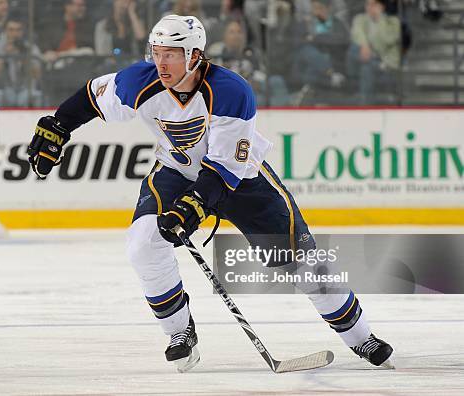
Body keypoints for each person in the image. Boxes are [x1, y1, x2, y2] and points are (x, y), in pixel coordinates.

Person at [27, 15, 394, 372]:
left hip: (244, 182)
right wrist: (58, 125)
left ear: (194, 55)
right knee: (142, 244)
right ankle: (178, 333)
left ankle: (360, 336)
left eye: (170, 53)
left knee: (303, 263)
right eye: (156, 52)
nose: (160, 62)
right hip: (175, 173)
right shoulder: (138, 81)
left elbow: (225, 169)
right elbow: (92, 97)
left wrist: (193, 207)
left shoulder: (231, 91)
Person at [347, 0, 401, 104]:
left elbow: (383, 42)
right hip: (371, 61)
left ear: (382, 7)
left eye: (374, 4)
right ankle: (377, 64)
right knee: (353, 49)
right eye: (367, 4)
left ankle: (365, 106)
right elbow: (356, 33)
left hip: (388, 64)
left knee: (365, 68)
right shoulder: (360, 19)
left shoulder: (393, 22)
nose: (369, 7)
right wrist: (365, 45)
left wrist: (379, 19)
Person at [0, 16, 43, 106]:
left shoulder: (31, 47)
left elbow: (38, 76)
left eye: (18, 30)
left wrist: (23, 56)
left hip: (26, 88)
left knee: (32, 96)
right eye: (11, 30)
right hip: (4, 88)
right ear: (5, 30)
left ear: (22, 31)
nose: (14, 33)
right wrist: (5, 54)